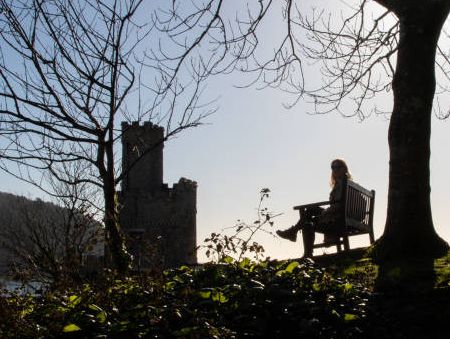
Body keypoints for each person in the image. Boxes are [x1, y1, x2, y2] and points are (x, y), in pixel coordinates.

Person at [276, 159, 352, 257]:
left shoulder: (343, 184)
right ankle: (293, 232)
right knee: (311, 210)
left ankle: (306, 252)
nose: (335, 170)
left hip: (338, 222)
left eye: (338, 167)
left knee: (307, 223)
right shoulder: (345, 184)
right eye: (333, 167)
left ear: (344, 169)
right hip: (342, 218)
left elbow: (338, 205)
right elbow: (338, 205)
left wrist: (324, 213)